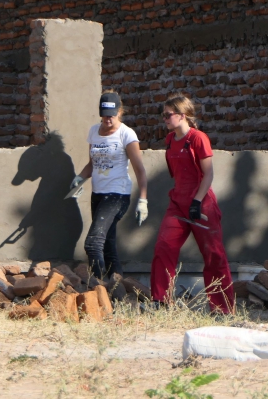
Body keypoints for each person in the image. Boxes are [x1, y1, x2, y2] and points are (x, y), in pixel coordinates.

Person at [149, 94, 234, 314]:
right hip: (177, 203)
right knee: (164, 247)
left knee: (214, 255)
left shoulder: (198, 138)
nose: (165, 119)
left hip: (201, 204)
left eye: (168, 115)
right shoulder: (169, 141)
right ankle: (160, 301)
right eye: (163, 115)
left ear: (182, 115)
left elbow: (208, 174)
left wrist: (197, 201)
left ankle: (222, 309)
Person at [71, 91, 148, 279]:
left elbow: (140, 169)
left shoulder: (126, 134)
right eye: (104, 115)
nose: (108, 119)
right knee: (108, 248)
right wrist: (79, 179)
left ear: (119, 112)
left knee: (92, 243)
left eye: (111, 115)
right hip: (98, 193)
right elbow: (92, 164)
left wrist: (143, 200)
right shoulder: (93, 132)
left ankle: (98, 289)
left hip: (117, 194)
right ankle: (117, 294)